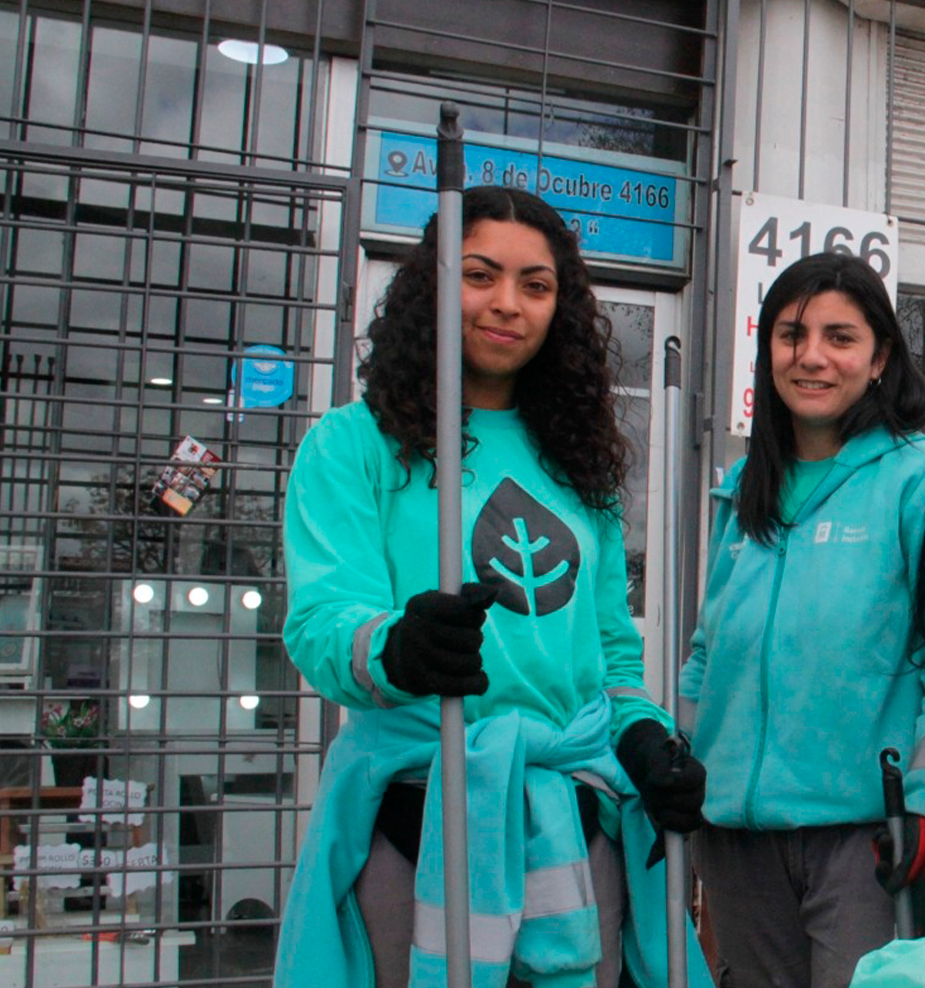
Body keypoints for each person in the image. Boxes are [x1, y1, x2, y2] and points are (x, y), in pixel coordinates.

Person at [275, 186, 707, 988]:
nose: (508, 304)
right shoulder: (351, 445)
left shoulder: (581, 467)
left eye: (536, 286)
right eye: (480, 275)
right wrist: (399, 649)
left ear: (561, 309)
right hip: (416, 817)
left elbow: (610, 653)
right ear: (432, 284)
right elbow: (323, 622)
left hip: (574, 822)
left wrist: (645, 736)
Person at [679, 251, 925, 988]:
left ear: (880, 360)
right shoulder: (743, 488)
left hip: (865, 840)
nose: (811, 357)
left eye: (840, 337)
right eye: (790, 334)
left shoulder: (923, 478)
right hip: (736, 838)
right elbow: (709, 653)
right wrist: (682, 767)